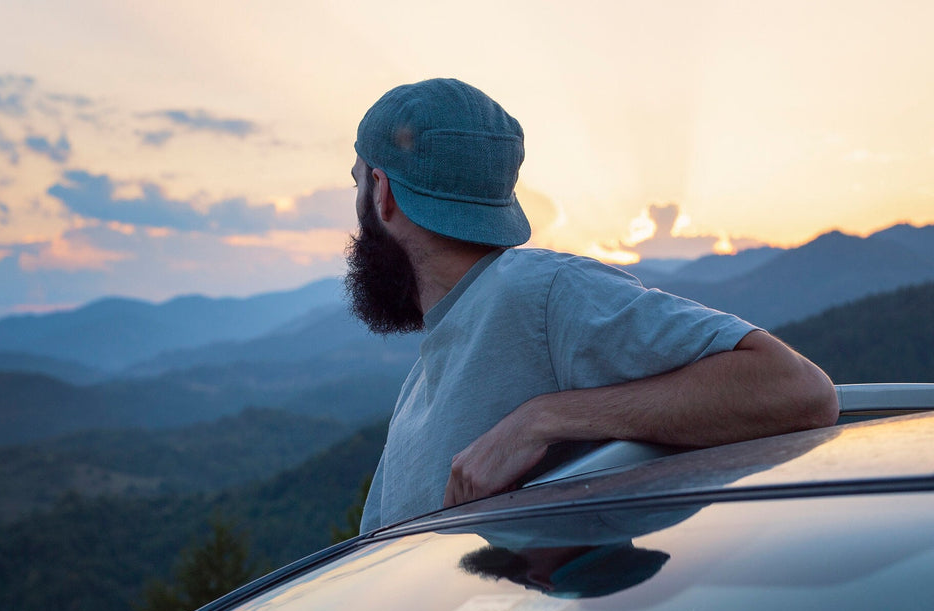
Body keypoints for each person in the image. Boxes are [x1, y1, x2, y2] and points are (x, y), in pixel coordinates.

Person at [346, 78, 839, 533]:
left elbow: (798, 389)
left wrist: (543, 420)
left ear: (382, 192)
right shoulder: (427, 372)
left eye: (357, 186)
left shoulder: (541, 294)